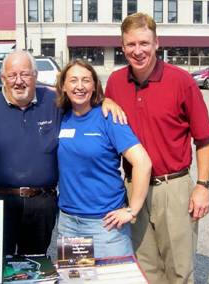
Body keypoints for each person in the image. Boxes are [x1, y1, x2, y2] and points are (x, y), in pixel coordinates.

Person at [0, 50, 126, 257]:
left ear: (35, 76)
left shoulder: (53, 102)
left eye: (25, 74)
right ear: (2, 78)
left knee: (35, 265)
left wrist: (105, 101)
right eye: (12, 75)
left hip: (42, 205)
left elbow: (80, 97)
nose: (19, 81)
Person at [105, 13, 209, 283]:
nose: (137, 51)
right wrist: (105, 102)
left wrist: (202, 186)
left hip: (173, 188)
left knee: (179, 269)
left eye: (144, 43)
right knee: (145, 267)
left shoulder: (181, 81)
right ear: (122, 46)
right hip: (133, 189)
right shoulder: (115, 83)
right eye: (131, 44)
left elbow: (204, 138)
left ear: (156, 43)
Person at [56, 59, 152, 258]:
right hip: (69, 223)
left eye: (86, 80)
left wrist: (132, 210)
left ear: (94, 86)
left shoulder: (108, 117)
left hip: (106, 225)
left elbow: (143, 162)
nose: (80, 86)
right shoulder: (60, 117)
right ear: (64, 86)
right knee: (76, 282)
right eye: (73, 80)